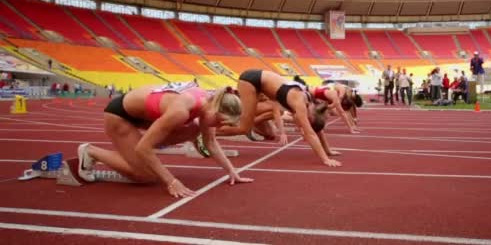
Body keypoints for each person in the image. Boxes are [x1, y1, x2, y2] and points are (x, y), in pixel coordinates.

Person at [77, 82, 251, 198]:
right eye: (219, 121)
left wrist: (232, 171)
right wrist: (171, 181)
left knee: (194, 129)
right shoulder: (182, 110)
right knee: (145, 175)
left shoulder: (210, 105)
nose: (219, 127)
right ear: (214, 109)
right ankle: (90, 151)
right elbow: (143, 148)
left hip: (144, 116)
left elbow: (211, 142)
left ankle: (132, 154)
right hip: (119, 115)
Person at [219, 70, 340, 167]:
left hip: (259, 81)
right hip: (251, 80)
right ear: (312, 113)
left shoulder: (308, 103)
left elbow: (318, 131)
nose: (305, 119)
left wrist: (327, 151)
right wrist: (325, 159)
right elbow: (311, 134)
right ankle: (210, 132)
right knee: (244, 128)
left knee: (244, 123)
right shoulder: (300, 102)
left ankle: (216, 125)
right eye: (308, 119)